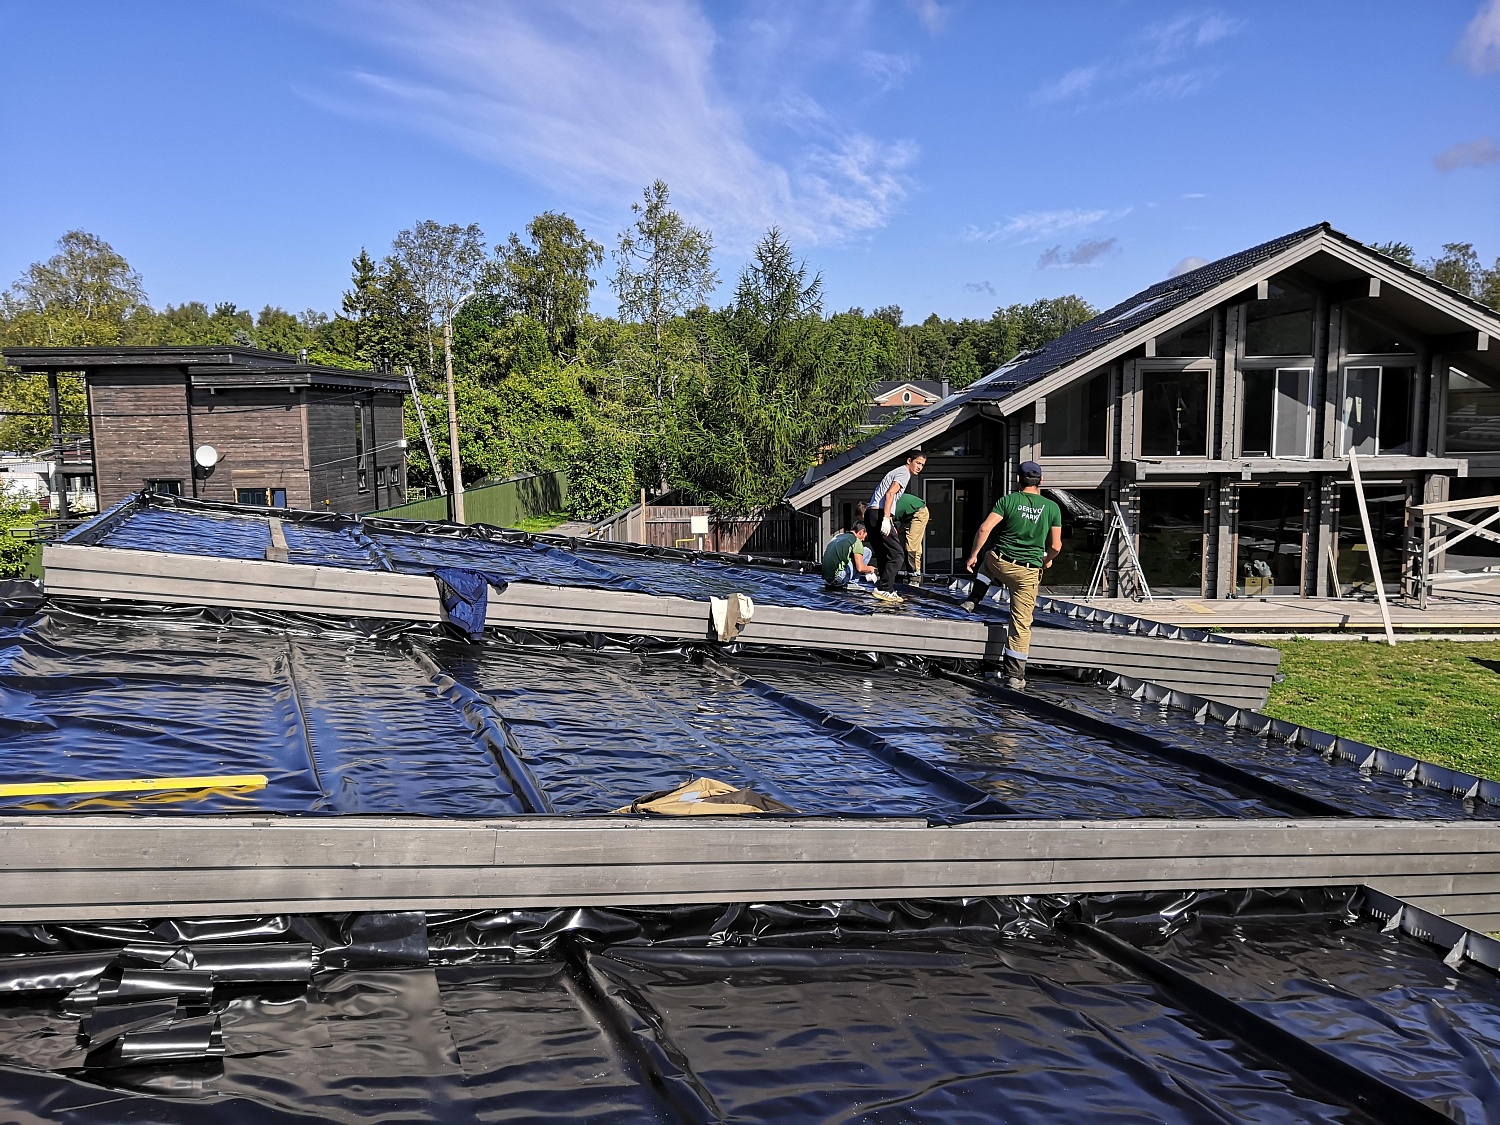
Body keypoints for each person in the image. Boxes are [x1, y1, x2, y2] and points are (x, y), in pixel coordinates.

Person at [962, 461, 1062, 691]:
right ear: (1041, 482)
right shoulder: (1052, 508)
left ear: (1018, 480)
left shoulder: (1008, 500)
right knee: (1020, 623)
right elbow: (1056, 545)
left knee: (988, 556)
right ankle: (1015, 676)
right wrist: (1047, 561)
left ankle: (973, 599)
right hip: (1028, 573)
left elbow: (985, 529)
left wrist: (973, 555)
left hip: (1002, 563)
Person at [864, 449, 927, 604]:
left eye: (922, 465)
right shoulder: (903, 473)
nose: (920, 467)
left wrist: (889, 519)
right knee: (897, 555)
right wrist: (885, 518)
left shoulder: (896, 472)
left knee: (883, 553)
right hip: (879, 514)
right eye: (918, 463)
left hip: (871, 514)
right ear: (909, 461)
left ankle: (886, 588)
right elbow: (890, 494)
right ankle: (884, 588)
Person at [822, 524, 877, 589]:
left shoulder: (838, 536)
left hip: (827, 578)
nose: (863, 539)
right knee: (867, 551)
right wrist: (872, 569)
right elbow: (860, 568)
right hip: (839, 578)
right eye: (864, 536)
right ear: (861, 532)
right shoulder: (856, 541)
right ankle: (852, 583)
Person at [894, 490, 929, 580]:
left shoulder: (883, 510)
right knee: (900, 543)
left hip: (918, 512)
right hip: (906, 516)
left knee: (911, 545)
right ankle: (899, 571)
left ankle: (915, 575)